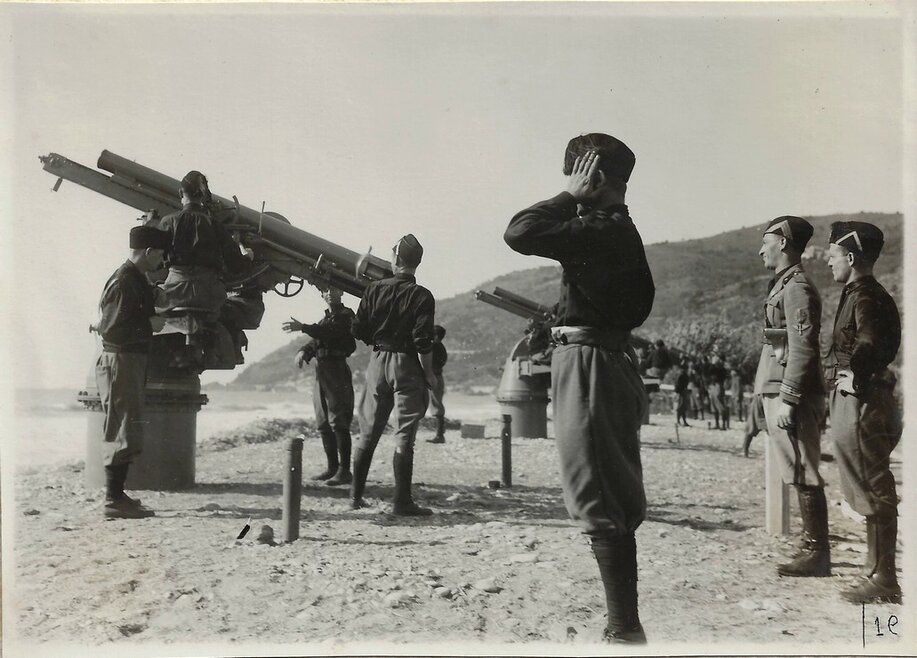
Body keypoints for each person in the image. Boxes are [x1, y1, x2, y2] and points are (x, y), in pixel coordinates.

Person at [504, 134, 655, 644]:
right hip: (599, 360)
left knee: (596, 491)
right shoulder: (613, 230)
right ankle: (624, 626)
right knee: (607, 488)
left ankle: (624, 630)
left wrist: (568, 195)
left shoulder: (601, 228)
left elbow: (519, 231)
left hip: (590, 364)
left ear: (593, 176)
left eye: (576, 174)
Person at [824, 221, 901, 604]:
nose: (828, 261)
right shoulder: (862, 292)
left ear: (851, 258)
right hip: (865, 397)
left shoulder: (866, 296)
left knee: (873, 485)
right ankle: (875, 571)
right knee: (870, 484)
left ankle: (884, 578)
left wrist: (855, 373)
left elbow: (869, 339)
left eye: (833, 255)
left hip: (864, 401)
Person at [753, 215, 830, 577]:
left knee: (803, 467)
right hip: (782, 387)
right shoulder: (783, 285)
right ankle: (810, 546)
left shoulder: (796, 288)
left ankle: (817, 552)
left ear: (783, 243)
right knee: (794, 467)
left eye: (766, 242)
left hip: (792, 392)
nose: (761, 250)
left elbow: (802, 347)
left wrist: (789, 397)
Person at [350, 234, 437, 516]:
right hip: (407, 364)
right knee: (404, 434)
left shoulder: (373, 289)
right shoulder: (422, 295)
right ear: (417, 263)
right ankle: (402, 502)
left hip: (377, 361)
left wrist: (378, 343)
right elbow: (423, 341)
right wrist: (429, 374)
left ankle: (355, 498)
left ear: (395, 259)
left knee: (368, 431)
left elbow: (358, 329)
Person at [95, 226, 170, 519]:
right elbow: (110, 329)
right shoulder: (124, 280)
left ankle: (118, 494)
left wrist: (154, 297)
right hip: (121, 360)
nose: (162, 261)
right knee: (120, 426)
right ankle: (113, 500)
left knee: (127, 426)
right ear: (148, 252)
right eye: (160, 255)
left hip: (128, 360)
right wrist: (148, 325)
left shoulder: (134, 278)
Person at [156, 170, 253, 321]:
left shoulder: (168, 222)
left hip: (174, 293)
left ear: (181, 193)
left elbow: (155, 262)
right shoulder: (216, 225)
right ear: (203, 196)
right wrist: (248, 257)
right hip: (209, 295)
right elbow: (236, 266)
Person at [283, 287, 357, 486]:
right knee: (323, 422)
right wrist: (303, 351)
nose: (330, 293)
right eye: (326, 290)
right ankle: (333, 468)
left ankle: (344, 471)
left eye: (335, 289)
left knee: (339, 421)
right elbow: (317, 341)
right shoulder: (326, 320)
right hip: (322, 371)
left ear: (342, 293)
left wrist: (303, 327)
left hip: (336, 369)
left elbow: (331, 333)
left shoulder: (346, 315)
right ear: (322, 295)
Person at [426, 325, 448, 444]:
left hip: (434, 377)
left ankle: (439, 435)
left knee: (436, 405)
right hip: (437, 377)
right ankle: (439, 434)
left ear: (436, 336)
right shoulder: (440, 347)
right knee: (437, 404)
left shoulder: (434, 347)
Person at [706, 354, 729, 430]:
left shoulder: (722, 368)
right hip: (713, 386)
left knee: (720, 405)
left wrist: (713, 364)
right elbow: (709, 372)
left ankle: (723, 425)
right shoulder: (717, 367)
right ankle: (717, 424)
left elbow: (713, 371)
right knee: (714, 406)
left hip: (718, 386)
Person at [674, 361, 691, 427]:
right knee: (681, 407)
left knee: (683, 407)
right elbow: (677, 384)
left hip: (683, 391)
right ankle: (678, 421)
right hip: (681, 392)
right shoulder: (681, 374)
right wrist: (677, 392)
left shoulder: (682, 374)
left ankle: (684, 421)